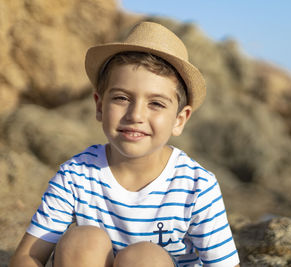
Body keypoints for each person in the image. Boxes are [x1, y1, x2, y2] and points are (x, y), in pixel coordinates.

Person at [9, 21, 240, 267]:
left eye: (156, 104)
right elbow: (29, 255)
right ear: (99, 106)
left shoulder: (196, 185)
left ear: (179, 119)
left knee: (144, 258)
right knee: (83, 240)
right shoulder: (76, 175)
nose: (135, 115)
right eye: (122, 98)